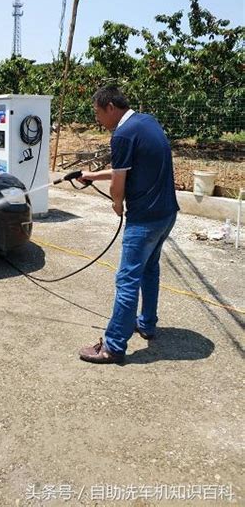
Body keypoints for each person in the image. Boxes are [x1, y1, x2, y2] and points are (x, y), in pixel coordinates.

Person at [78, 85, 179, 364]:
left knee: (127, 280)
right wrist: (92, 175)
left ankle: (113, 346)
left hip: (144, 219)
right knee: (149, 270)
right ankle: (146, 323)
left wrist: (116, 204)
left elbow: (118, 183)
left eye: (99, 114)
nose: (98, 120)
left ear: (111, 107)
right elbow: (128, 168)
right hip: (166, 214)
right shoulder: (146, 122)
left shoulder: (121, 134)